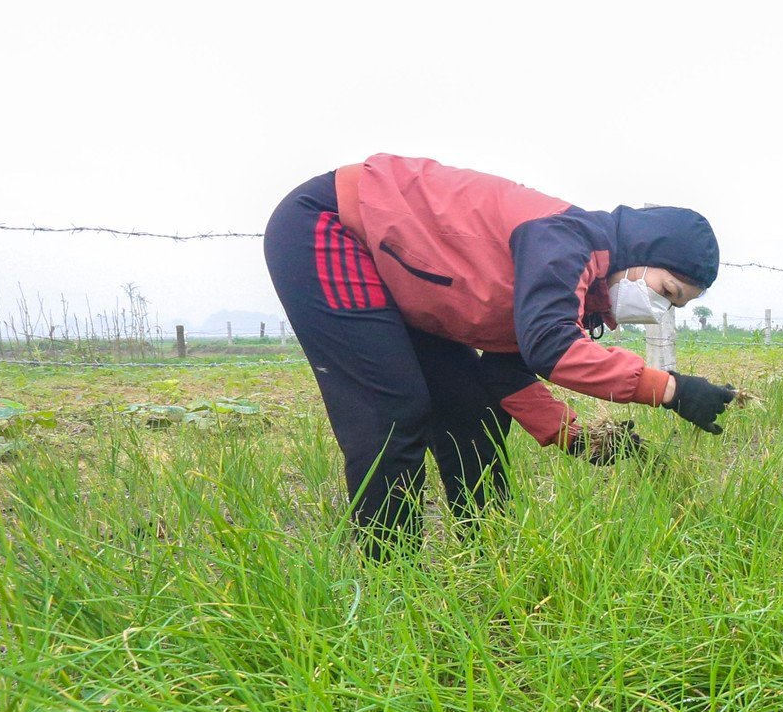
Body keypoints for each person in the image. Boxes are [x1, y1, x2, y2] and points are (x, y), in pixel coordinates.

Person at [264, 154, 737, 553]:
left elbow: (507, 372)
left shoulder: (589, 290)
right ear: (641, 254)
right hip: (333, 228)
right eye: (665, 291)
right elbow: (551, 348)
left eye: (674, 305)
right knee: (393, 412)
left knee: (471, 407)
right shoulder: (564, 241)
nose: (658, 309)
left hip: (406, 281)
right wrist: (669, 389)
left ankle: (489, 554)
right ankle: (390, 584)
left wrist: (575, 437)